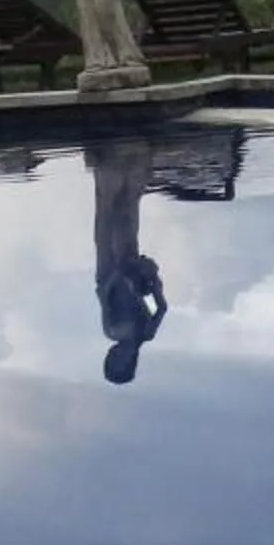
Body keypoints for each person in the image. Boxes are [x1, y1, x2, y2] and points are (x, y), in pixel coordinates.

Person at [85, 140, 167, 383]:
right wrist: (153, 282)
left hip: (110, 275)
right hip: (131, 274)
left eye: (111, 360)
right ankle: (132, 169)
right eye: (119, 362)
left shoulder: (112, 331)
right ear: (130, 363)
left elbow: (102, 295)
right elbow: (162, 308)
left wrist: (116, 278)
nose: (115, 356)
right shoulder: (146, 333)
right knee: (127, 226)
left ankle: (110, 167)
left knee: (106, 226)